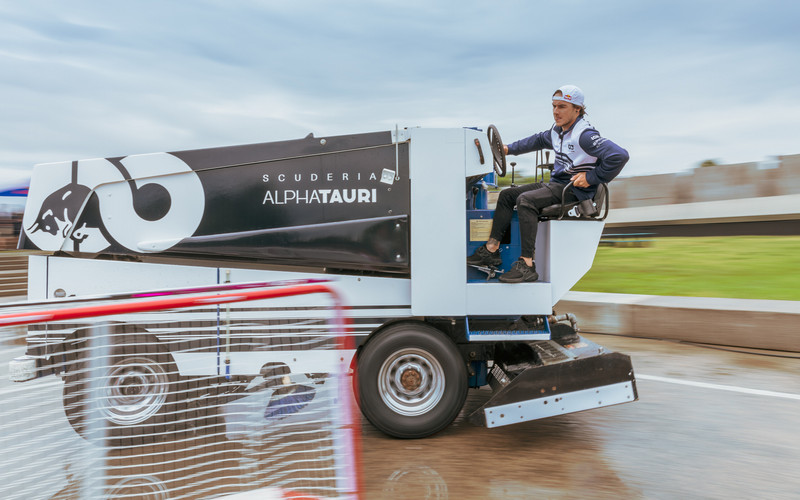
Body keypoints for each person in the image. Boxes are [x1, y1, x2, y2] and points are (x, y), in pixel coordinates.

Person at [467, 85, 629, 283]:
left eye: (562, 107)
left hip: (574, 190)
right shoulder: (557, 131)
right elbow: (536, 140)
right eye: (553, 106)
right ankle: (491, 251)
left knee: (526, 200)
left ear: (577, 109)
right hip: (557, 185)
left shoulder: (584, 135)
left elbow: (619, 156)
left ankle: (527, 264)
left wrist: (591, 178)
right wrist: (507, 149)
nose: (556, 112)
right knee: (507, 195)